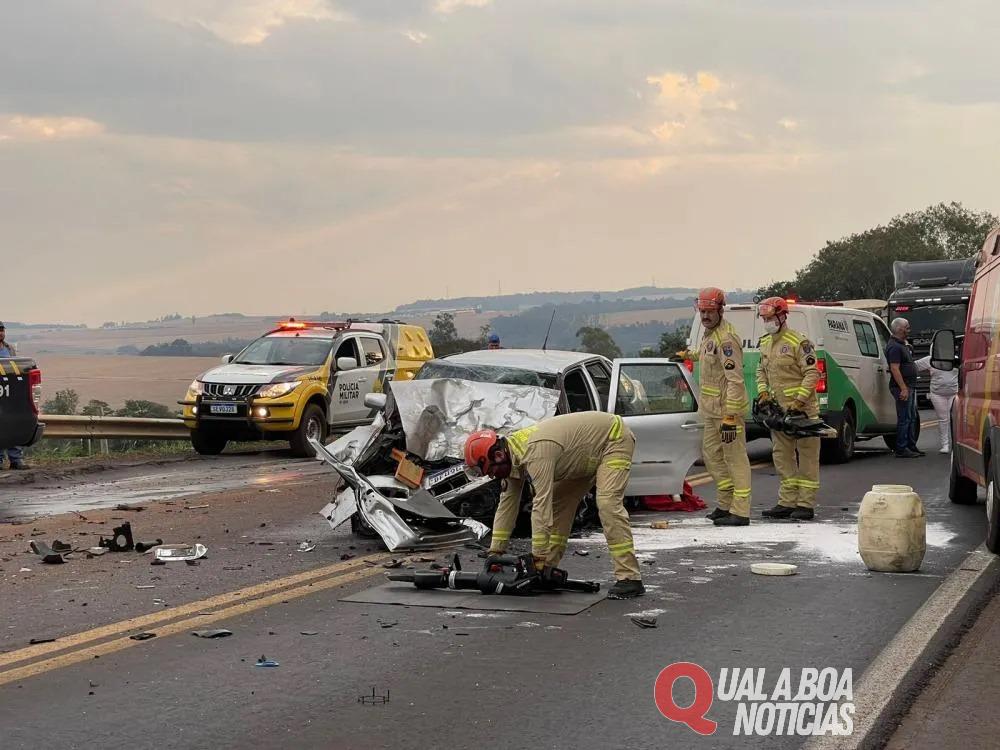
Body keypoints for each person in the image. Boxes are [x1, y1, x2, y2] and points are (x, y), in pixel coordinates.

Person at [464, 411, 644, 599]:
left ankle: (630, 578)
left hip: (612, 439)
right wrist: (495, 552)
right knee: (560, 503)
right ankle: (548, 568)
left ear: (499, 455)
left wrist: (537, 559)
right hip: (582, 455)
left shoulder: (536, 452)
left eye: (490, 471)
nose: (492, 476)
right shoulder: (511, 458)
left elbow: (541, 506)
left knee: (607, 504)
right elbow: (506, 506)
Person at [677, 287, 752, 526]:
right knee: (711, 456)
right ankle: (725, 504)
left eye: (709, 312)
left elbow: (735, 381)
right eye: (702, 312)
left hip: (726, 413)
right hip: (710, 411)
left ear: (720, 310)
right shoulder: (709, 335)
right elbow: (706, 355)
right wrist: (687, 355)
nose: (705, 316)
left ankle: (740, 511)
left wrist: (730, 416)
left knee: (735, 459)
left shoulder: (726, 339)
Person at [754, 298, 821, 521]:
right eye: (764, 319)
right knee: (782, 457)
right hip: (779, 412)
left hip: (803, 412)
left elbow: (812, 373)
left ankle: (805, 504)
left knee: (807, 457)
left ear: (782, 317)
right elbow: (761, 372)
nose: (767, 322)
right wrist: (763, 393)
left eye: (770, 318)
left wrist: (799, 400)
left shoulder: (799, 342)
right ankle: (787, 502)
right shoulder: (765, 343)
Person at [886, 317, 922, 458]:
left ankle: (911, 445)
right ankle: (901, 448)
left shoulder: (902, 345)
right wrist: (903, 388)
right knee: (904, 418)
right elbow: (894, 368)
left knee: (911, 417)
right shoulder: (894, 347)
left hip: (910, 386)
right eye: (907, 327)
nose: (909, 330)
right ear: (899, 329)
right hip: (902, 387)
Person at [915, 355, 958, 453]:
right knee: (943, 418)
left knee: (955, 419)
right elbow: (914, 366)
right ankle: (945, 445)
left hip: (954, 393)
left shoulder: (956, 358)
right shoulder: (930, 359)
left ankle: (956, 445)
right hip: (937, 394)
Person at [0, 322, 27, 469]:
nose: (0, 333)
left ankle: (16, 459)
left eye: (2, 330)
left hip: (9, 393)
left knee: (12, 424)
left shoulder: (9, 348)